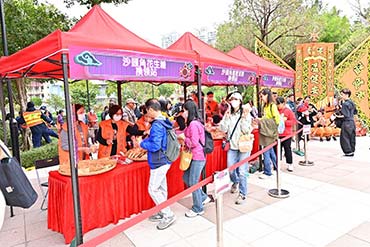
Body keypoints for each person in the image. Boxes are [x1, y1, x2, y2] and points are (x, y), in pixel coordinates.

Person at [139, 98, 176, 230]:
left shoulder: (157, 125)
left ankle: (168, 214)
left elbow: (155, 146)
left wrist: (142, 143)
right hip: (165, 159)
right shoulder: (165, 121)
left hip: (159, 161)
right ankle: (162, 211)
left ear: (150, 109)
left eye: (147, 110)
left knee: (153, 189)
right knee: (161, 188)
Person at [219, 91, 253, 204]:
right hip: (232, 146)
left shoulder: (246, 114)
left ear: (240, 101)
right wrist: (226, 117)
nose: (233, 101)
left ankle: (242, 194)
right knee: (230, 168)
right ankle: (235, 181)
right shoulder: (228, 114)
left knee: (243, 171)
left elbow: (246, 130)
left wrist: (243, 118)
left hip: (244, 146)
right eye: (232, 99)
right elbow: (223, 129)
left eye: (236, 99)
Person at [179, 100, 211, 217]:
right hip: (195, 155)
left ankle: (198, 208)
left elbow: (193, 142)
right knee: (186, 177)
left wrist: (183, 138)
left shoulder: (193, 124)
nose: (183, 113)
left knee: (193, 182)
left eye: (184, 110)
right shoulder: (194, 122)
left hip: (197, 156)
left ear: (189, 111)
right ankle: (203, 197)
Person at [258, 88, 280, 179]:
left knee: (266, 152)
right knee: (270, 151)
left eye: (262, 96)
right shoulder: (265, 106)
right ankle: (277, 167)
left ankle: (267, 172)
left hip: (269, 132)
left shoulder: (272, 106)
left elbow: (277, 120)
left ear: (267, 95)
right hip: (265, 131)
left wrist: (266, 123)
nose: (261, 98)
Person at [276, 97, 296, 172]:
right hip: (277, 133)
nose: (278, 105)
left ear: (283, 103)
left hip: (286, 134)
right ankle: (278, 164)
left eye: (279, 104)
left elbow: (293, 122)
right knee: (278, 150)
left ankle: (290, 164)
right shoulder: (276, 111)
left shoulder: (288, 111)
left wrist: (284, 122)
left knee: (287, 149)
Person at [338, 88, 357, 156]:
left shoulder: (345, 104)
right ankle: (352, 150)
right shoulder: (352, 103)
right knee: (352, 137)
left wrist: (336, 116)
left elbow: (345, 115)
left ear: (346, 95)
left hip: (346, 123)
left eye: (342, 94)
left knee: (344, 137)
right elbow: (355, 112)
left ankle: (348, 152)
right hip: (352, 122)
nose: (341, 96)